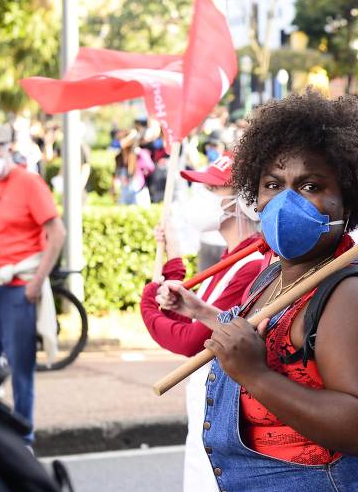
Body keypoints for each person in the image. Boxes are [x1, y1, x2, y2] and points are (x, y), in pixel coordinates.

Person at [156, 90, 358, 491]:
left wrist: (255, 376)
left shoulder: (351, 295)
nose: (286, 200)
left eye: (310, 185)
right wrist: (203, 312)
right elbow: (257, 330)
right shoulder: (274, 276)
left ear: (348, 198)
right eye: (273, 183)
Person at [140, 151, 264, 492]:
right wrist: (173, 259)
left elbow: (192, 341)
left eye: (214, 191)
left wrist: (148, 303)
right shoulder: (232, 258)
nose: (203, 199)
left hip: (225, 412)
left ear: (243, 201)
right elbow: (185, 307)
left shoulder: (251, 265)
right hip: (209, 405)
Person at [0, 124, 66, 443]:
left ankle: (24, 439)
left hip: (17, 289)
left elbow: (57, 234)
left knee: (21, 370)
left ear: (8, 148)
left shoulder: (29, 182)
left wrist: (36, 282)